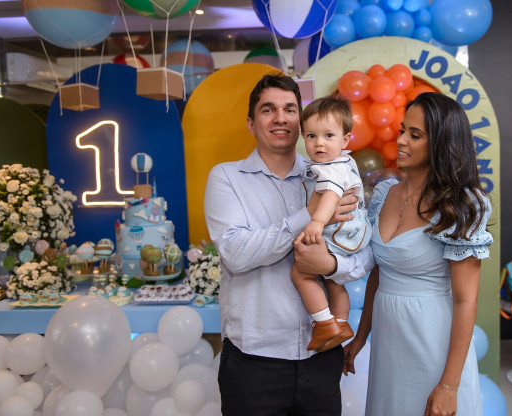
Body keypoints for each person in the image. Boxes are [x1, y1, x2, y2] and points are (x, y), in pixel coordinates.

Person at [204, 73, 374, 416]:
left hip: (320, 358)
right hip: (254, 361)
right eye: (268, 110)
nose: (280, 118)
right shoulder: (226, 178)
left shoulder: (331, 174)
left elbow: (362, 250)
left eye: (290, 109)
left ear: (301, 121)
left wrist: (331, 266)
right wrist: (309, 215)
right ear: (251, 124)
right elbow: (236, 254)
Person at [343, 92, 493, 416]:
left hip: (433, 341)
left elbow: (466, 301)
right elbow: (378, 274)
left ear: (440, 143)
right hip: (388, 340)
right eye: (402, 130)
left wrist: (449, 386)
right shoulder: (384, 193)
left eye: (415, 135)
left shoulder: (462, 205)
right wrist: (361, 337)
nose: (401, 141)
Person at [291, 96, 371, 352]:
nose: (319, 143)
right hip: (352, 233)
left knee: (300, 273)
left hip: (337, 231)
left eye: (328, 135)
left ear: (345, 140)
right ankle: (341, 324)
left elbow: (331, 194)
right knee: (334, 282)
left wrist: (316, 222)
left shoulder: (330, 169)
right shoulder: (345, 161)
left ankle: (325, 323)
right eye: (311, 136)